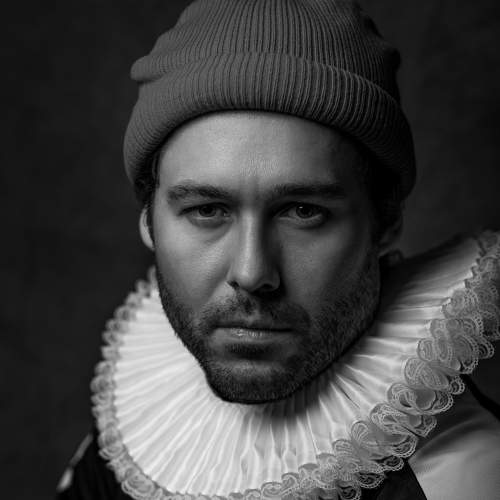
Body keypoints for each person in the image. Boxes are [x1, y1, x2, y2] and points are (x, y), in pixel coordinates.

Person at [56, 0, 500, 499]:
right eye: (207, 210)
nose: (252, 273)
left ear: (386, 222)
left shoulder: (462, 477)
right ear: (148, 221)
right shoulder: (135, 431)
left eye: (303, 211)